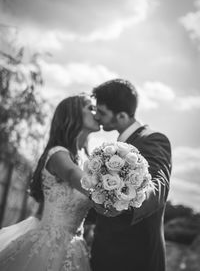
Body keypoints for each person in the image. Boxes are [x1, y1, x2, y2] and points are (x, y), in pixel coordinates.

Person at [0, 94, 100, 271]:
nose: (96, 112)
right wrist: (111, 192)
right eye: (90, 108)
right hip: (47, 245)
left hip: (76, 247)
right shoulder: (58, 154)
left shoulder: (87, 158)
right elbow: (72, 175)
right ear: (73, 114)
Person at [88, 79, 172, 271]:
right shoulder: (112, 147)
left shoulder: (153, 139)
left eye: (102, 112)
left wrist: (127, 202)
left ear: (122, 115)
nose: (97, 117)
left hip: (134, 258)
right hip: (104, 255)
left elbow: (158, 184)